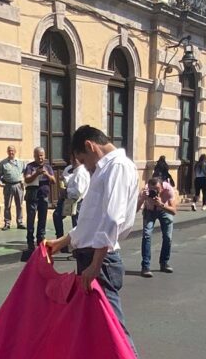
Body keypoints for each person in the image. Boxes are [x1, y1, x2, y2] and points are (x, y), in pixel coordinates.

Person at [46, 125, 138, 343]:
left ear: (90, 145)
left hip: (100, 261)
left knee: (114, 330)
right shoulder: (106, 169)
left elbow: (112, 219)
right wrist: (61, 242)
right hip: (92, 257)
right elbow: (91, 222)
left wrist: (95, 264)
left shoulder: (117, 167)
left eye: (84, 161)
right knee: (96, 328)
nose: (86, 168)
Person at [137, 177, 177, 278]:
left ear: (162, 187)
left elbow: (173, 211)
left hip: (165, 210)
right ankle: (145, 266)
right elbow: (135, 209)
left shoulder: (168, 190)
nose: (154, 192)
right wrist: (142, 198)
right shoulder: (145, 190)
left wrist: (162, 205)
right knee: (146, 235)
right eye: (152, 190)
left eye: (157, 189)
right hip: (149, 211)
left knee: (168, 237)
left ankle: (164, 263)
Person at [23, 147, 56, 252]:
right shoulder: (30, 166)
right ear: (34, 156)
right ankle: (30, 241)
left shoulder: (48, 167)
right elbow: (27, 179)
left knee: (42, 219)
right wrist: (36, 173)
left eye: (41, 155)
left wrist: (46, 174)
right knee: (31, 219)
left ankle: (40, 240)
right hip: (32, 197)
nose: (40, 158)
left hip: (43, 196)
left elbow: (54, 181)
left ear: (44, 156)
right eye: (38, 155)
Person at [0, 145, 25, 230]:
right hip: (8, 185)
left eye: (12, 151)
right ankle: (7, 223)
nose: (11, 152)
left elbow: (25, 172)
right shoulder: (3, 163)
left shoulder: (20, 162)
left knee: (19, 205)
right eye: (9, 151)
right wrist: (1, 183)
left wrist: (23, 181)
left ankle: (20, 222)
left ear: (15, 152)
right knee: (7, 205)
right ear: (7, 152)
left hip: (18, 185)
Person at [52, 158, 75, 239]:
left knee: (76, 221)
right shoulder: (68, 168)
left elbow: (79, 190)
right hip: (65, 198)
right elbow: (63, 181)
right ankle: (59, 237)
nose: (73, 160)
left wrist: (66, 190)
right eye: (72, 158)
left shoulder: (83, 171)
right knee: (57, 215)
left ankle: (77, 243)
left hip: (77, 200)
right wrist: (62, 184)